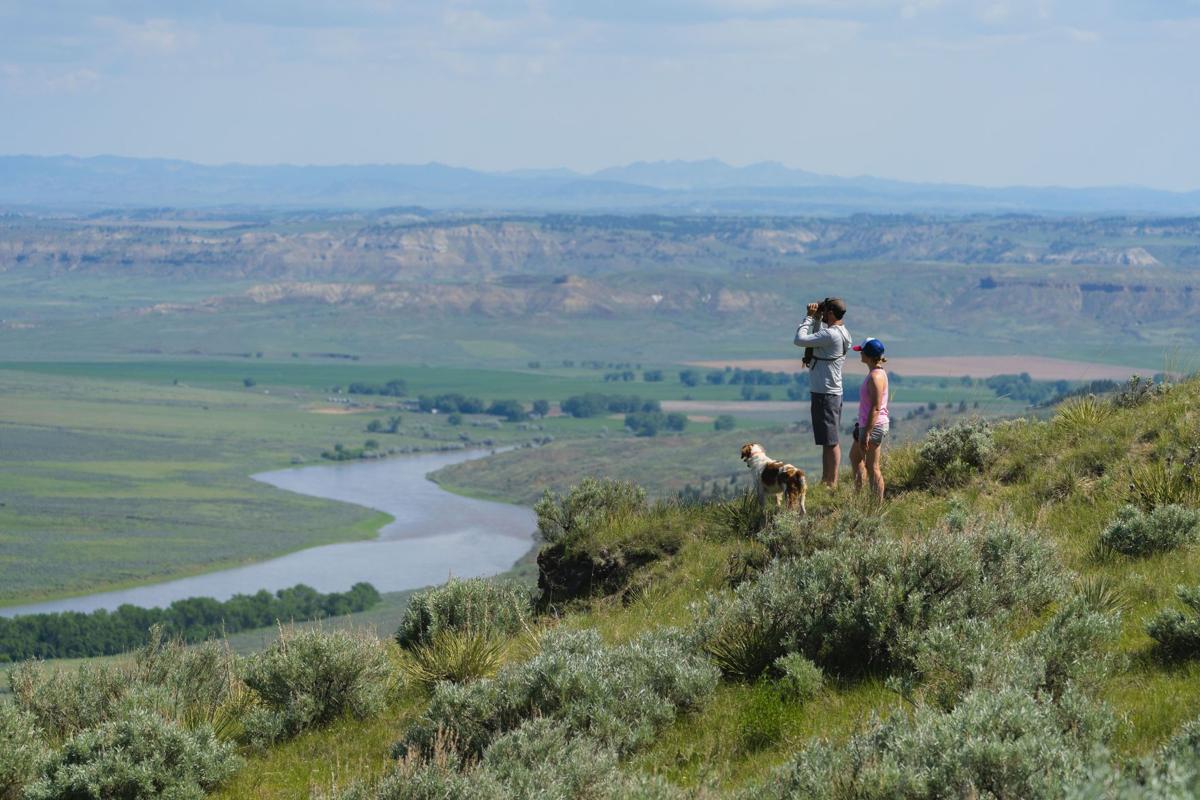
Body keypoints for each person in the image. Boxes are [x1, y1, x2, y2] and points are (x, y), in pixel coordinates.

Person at [794, 298, 851, 486]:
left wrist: (809, 318)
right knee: (828, 440)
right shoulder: (840, 333)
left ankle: (830, 482)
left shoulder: (832, 335)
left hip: (826, 394)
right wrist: (818, 320)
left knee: (831, 441)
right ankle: (827, 480)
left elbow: (800, 340)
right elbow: (818, 341)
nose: (823, 314)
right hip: (829, 392)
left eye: (825, 311)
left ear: (832, 313)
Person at [850, 337, 889, 502]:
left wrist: (866, 432)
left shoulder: (875, 377)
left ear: (868, 354)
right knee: (855, 457)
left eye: (862, 351)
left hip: (873, 426)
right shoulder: (876, 373)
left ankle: (876, 506)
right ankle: (858, 496)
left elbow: (875, 407)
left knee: (873, 467)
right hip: (867, 425)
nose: (860, 354)